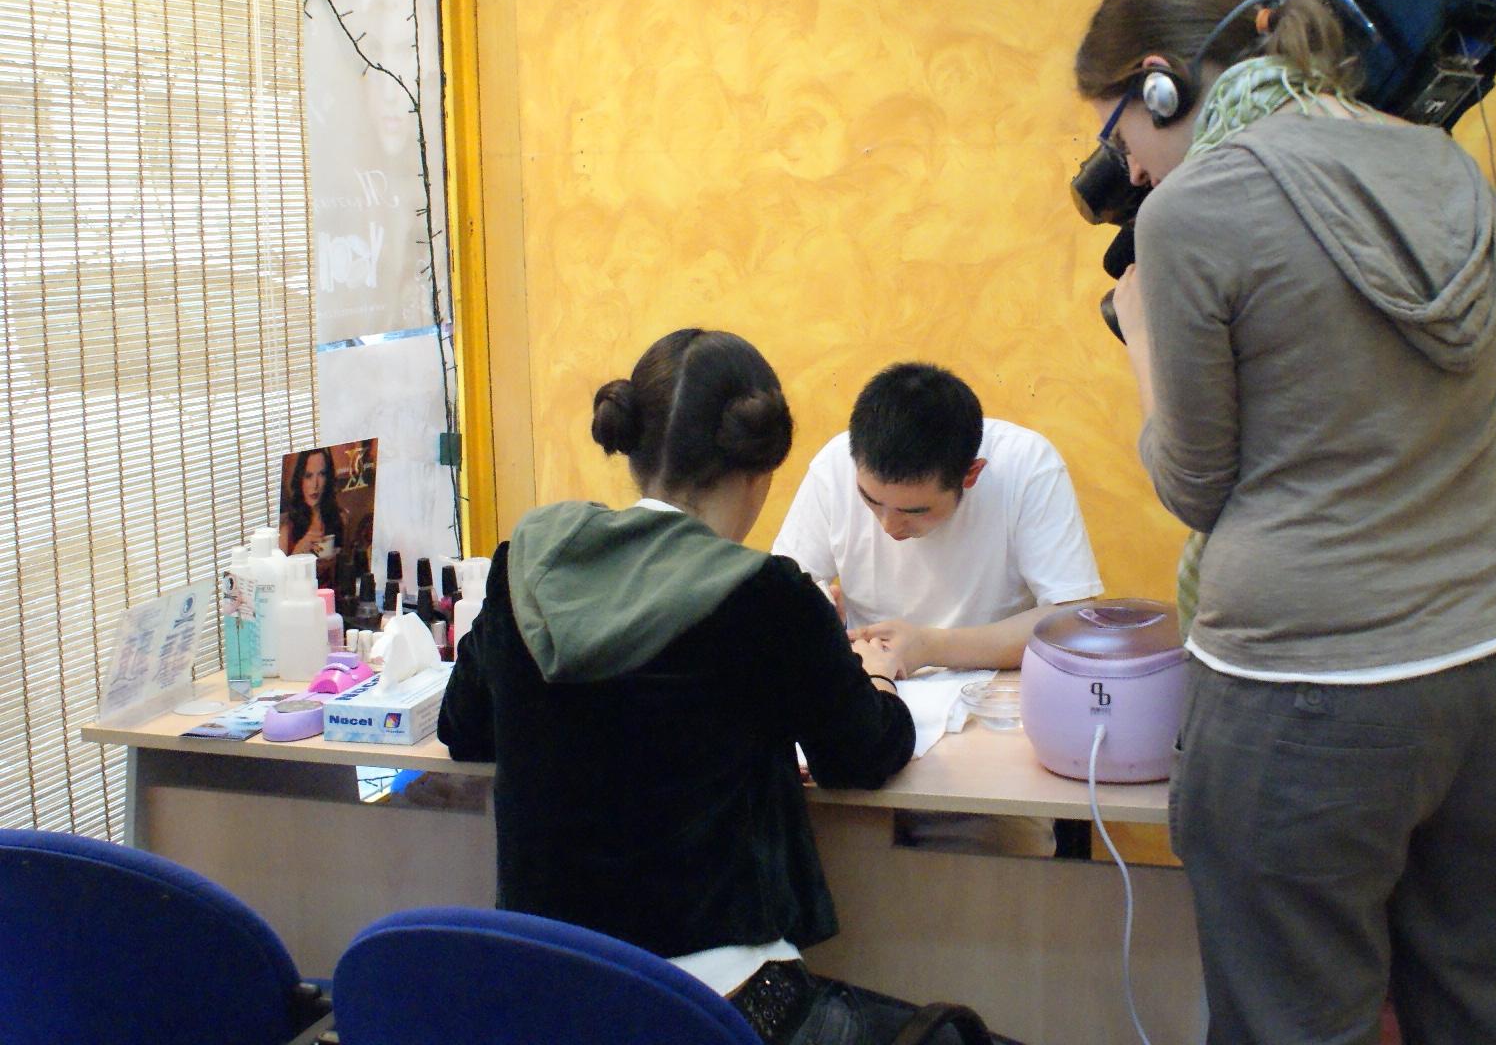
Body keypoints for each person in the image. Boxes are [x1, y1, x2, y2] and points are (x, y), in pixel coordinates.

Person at [1076, 0, 1496, 1044]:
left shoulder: (1193, 210)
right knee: (1487, 1011)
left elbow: (1195, 482)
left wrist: (1141, 328)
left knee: (1289, 1019)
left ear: (1159, 82)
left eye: (1119, 135)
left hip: (1311, 691)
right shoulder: (1442, 162)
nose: (1131, 170)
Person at [439, 329, 989, 1044]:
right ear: (760, 472)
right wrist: (878, 678)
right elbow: (860, 755)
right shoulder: (767, 595)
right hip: (720, 1007)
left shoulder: (528, 563)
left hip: (547, 996)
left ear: (633, 452)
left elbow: (464, 730)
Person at [771, 363, 1103, 675]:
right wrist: (814, 614)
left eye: (913, 511)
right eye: (870, 500)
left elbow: (1072, 620)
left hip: (993, 688)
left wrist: (931, 647)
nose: (888, 526)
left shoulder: (1026, 464)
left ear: (971, 475)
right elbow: (779, 594)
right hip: (875, 683)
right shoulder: (833, 465)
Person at [279, 447, 345, 571]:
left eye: (322, 474)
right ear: (300, 480)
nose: (315, 484)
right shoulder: (287, 529)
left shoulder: (338, 518)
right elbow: (279, 576)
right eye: (308, 476)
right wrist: (298, 552)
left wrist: (336, 562)